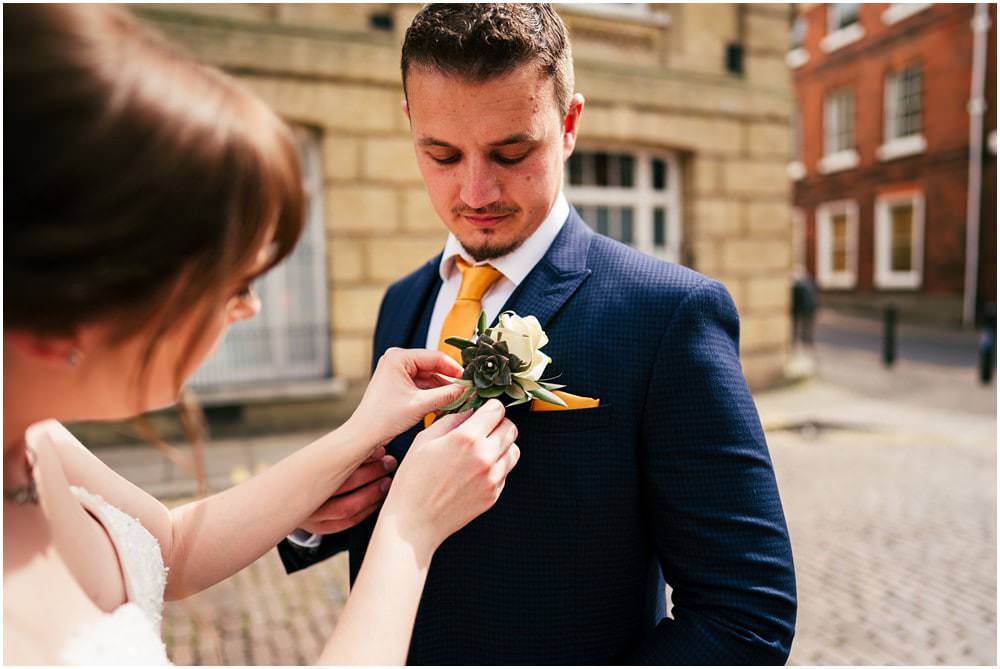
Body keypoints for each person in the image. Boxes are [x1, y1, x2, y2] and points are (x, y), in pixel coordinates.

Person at [279, 3, 797, 665]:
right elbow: (401, 508)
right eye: (441, 154)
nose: (475, 189)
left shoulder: (669, 315)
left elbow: (746, 614)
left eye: (512, 151)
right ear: (410, 125)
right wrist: (310, 518)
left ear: (570, 123)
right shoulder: (401, 302)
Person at [3, 5, 520, 665]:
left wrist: (356, 434)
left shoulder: (31, 439)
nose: (248, 308)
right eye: (233, 283)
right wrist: (409, 528)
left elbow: (172, 544)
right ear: (60, 315)